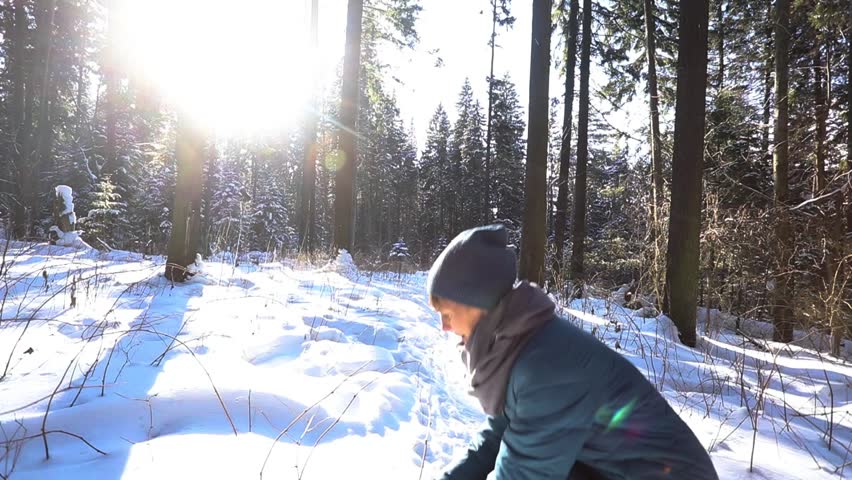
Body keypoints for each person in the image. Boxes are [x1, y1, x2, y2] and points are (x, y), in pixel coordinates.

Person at [427, 224, 719, 480]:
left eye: (448, 313)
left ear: (478, 301)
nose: (444, 326)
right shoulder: (516, 345)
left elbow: (524, 472)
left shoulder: (546, 364)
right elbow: (497, 436)